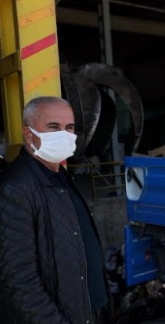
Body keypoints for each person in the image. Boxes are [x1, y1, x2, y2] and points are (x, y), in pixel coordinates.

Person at [0, 96, 109, 323]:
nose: (64, 134)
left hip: (86, 311)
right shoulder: (15, 188)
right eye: (53, 127)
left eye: (69, 127)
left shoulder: (60, 175)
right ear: (29, 135)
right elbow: (18, 280)